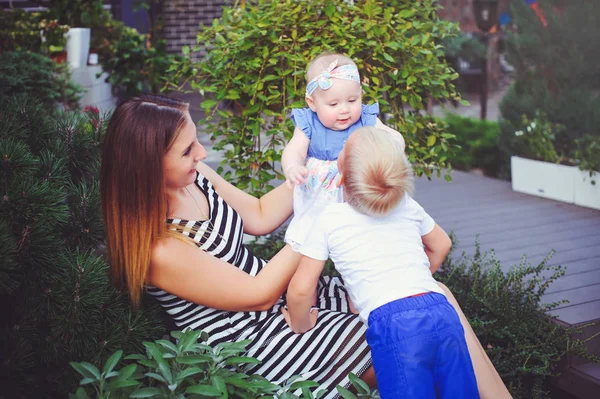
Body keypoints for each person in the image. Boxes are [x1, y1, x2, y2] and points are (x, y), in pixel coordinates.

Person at [100, 94, 510, 398]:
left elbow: (259, 215)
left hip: (285, 292)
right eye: (188, 149)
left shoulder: (197, 175)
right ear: (148, 164)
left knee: (430, 295)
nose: (202, 152)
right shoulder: (158, 248)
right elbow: (257, 296)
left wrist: (322, 172)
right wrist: (322, 218)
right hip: (253, 339)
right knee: (398, 332)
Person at [283, 127, 479, 398]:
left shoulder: (330, 218)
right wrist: (418, 277)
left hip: (396, 327)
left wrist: (300, 323)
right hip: (441, 311)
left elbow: (301, 289)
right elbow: (441, 244)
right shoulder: (406, 205)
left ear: (341, 179)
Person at [281, 52, 404, 249]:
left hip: (358, 192)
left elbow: (393, 137)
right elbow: (294, 149)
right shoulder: (308, 123)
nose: (344, 109)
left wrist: (393, 148)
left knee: (364, 238)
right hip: (320, 201)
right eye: (334, 104)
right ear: (312, 103)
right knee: (311, 240)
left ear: (360, 95)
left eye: (352, 100)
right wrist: (292, 167)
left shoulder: (366, 118)